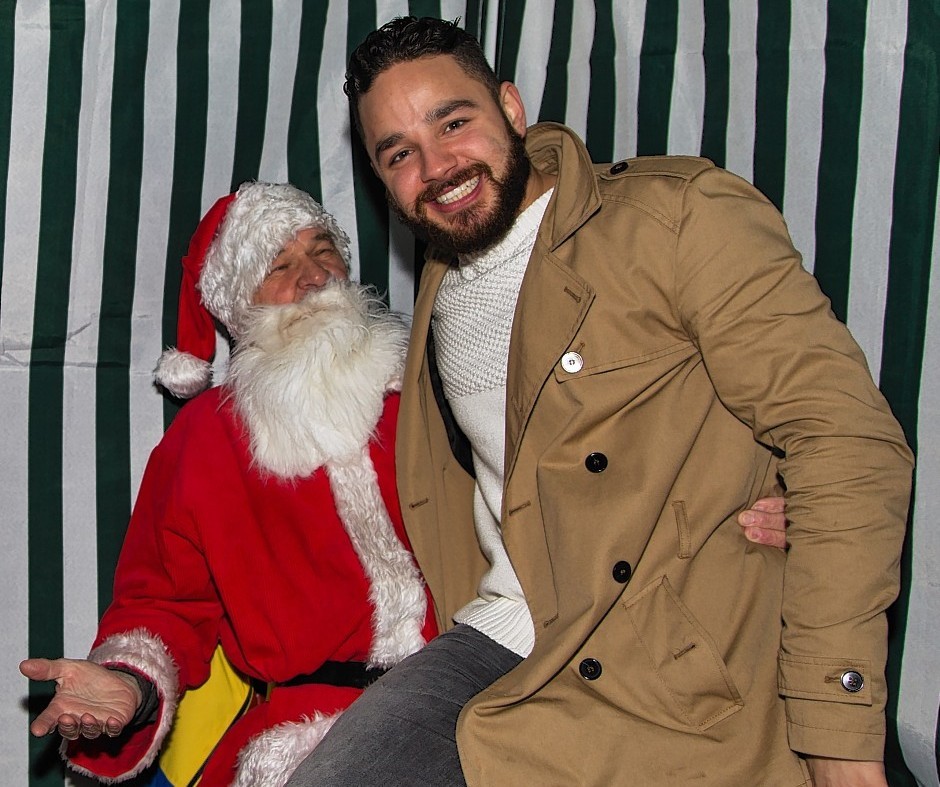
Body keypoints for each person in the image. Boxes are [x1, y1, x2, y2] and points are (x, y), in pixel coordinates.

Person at [285, 16, 914, 787]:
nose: (438, 165)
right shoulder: (442, 285)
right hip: (504, 637)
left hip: (665, 662)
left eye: (455, 122)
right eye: (400, 154)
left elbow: (845, 439)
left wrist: (840, 745)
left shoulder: (676, 217)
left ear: (511, 109)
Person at [19, 182, 438, 787]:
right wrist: (130, 685)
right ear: (241, 306)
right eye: (281, 266)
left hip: (484, 693)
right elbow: (162, 601)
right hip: (315, 735)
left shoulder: (433, 382)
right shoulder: (205, 441)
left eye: (324, 251)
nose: (315, 277)